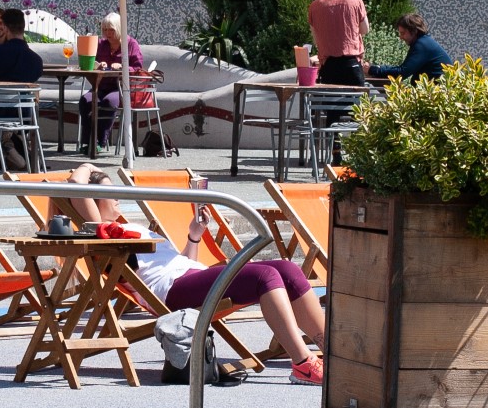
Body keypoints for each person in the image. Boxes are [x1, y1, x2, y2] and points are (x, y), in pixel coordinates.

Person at [59, 163, 326, 385]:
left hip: (189, 279)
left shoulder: (128, 227)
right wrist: (86, 166)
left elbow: (184, 264)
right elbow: (74, 187)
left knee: (287, 269)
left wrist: (194, 237)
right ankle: (303, 364)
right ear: (93, 201)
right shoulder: (103, 232)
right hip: (172, 294)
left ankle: (333, 355)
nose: (117, 196)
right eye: (109, 192)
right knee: (265, 277)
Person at [79, 11, 146, 150]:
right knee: (86, 101)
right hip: (100, 86)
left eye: (111, 30)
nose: (108, 33)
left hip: (120, 87)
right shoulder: (101, 44)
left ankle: (100, 142)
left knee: (109, 102)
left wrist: (122, 66)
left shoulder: (131, 44)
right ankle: (88, 141)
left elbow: (138, 68)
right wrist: (98, 65)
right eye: (105, 30)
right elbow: (91, 62)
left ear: (119, 28)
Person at [308, 0, 368, 87]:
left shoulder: (314, 6)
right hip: (352, 64)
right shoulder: (356, 1)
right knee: (356, 106)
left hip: (328, 66)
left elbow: (315, 39)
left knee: (330, 105)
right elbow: (365, 29)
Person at [371, 12, 449, 82]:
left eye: (403, 33)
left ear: (414, 31)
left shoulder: (422, 45)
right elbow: (403, 69)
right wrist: (379, 68)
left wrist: (374, 70)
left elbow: (401, 73)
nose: (401, 37)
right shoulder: (424, 41)